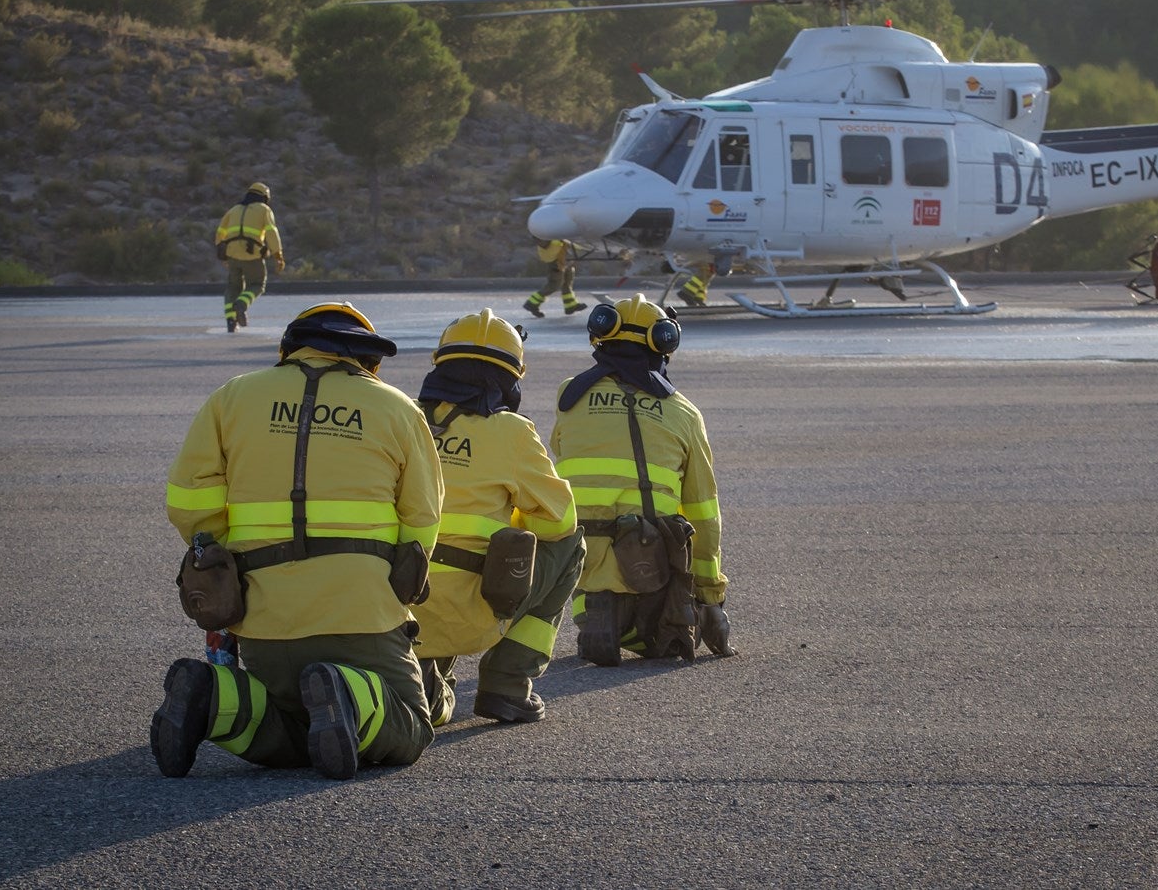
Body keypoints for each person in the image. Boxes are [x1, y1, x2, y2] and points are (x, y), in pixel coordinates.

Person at [153, 302, 443, 780]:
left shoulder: (232, 398)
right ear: (364, 360)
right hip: (361, 616)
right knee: (411, 725)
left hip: (264, 622)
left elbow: (188, 500)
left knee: (291, 726)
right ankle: (348, 692)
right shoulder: (396, 407)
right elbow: (423, 517)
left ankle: (211, 697)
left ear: (289, 349)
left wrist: (226, 559)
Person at [413, 309, 583, 724]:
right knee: (568, 546)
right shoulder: (510, 431)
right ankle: (507, 684)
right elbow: (559, 521)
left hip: (392, 606)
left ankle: (429, 677)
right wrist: (512, 526)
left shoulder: (400, 417)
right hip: (471, 609)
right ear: (511, 376)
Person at [550, 294, 736, 665]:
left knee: (585, 531)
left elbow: (559, 451)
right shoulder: (683, 412)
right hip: (651, 558)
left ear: (599, 339)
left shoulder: (569, 395)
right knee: (672, 641)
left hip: (579, 555)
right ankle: (638, 626)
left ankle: (594, 608)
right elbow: (704, 514)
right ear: (664, 346)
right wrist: (710, 598)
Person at [215, 181, 284, 333]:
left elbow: (220, 232)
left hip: (232, 254)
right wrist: (278, 255)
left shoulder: (233, 210)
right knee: (258, 284)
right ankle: (241, 304)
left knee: (233, 287)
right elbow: (271, 233)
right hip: (252, 255)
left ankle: (231, 321)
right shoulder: (264, 210)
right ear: (264, 197)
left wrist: (223, 257)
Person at [523, 239, 586, 318]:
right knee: (555, 284)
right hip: (555, 260)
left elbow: (567, 242)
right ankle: (532, 303)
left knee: (567, 280)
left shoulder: (557, 235)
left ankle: (570, 305)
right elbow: (553, 242)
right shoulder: (548, 235)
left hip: (562, 258)